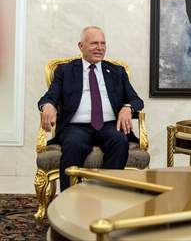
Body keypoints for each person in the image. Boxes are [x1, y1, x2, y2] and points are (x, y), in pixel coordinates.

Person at [38, 26, 144, 190]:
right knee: (73, 144)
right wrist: (48, 106)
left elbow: (136, 100)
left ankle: (105, 193)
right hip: (75, 127)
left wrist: (127, 107)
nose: (100, 48)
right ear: (81, 46)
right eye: (94, 43)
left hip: (109, 125)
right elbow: (48, 97)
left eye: (103, 43)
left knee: (120, 141)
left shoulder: (117, 71)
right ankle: (70, 198)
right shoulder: (65, 71)